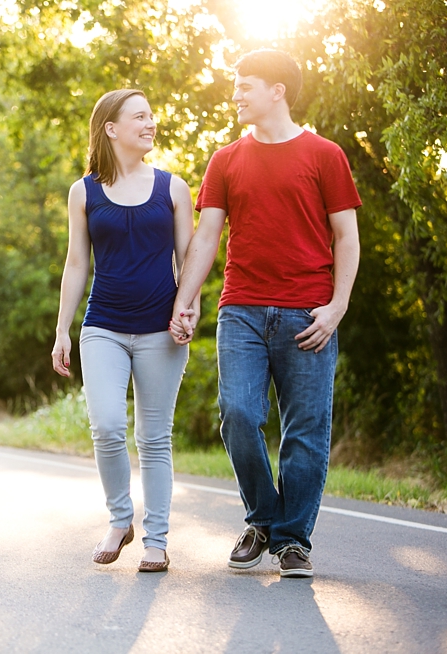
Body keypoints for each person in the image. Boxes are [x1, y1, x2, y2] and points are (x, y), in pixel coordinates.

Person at [169, 49, 361, 578]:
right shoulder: (226, 159)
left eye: (244, 85)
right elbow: (207, 238)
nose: (235, 94)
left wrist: (337, 307)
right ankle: (263, 518)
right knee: (237, 414)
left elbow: (346, 235)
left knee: (306, 429)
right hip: (243, 311)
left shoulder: (325, 154)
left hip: (309, 313)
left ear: (277, 90)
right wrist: (184, 301)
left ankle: (292, 540)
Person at [52, 89, 195, 573]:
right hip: (103, 327)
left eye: (153, 115)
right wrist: (62, 331)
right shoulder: (84, 191)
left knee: (154, 439)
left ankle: (156, 541)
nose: (151, 123)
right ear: (111, 128)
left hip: (160, 330)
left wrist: (187, 308)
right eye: (140, 116)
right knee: (108, 426)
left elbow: (188, 261)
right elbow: (76, 264)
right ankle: (120, 519)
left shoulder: (173, 189)